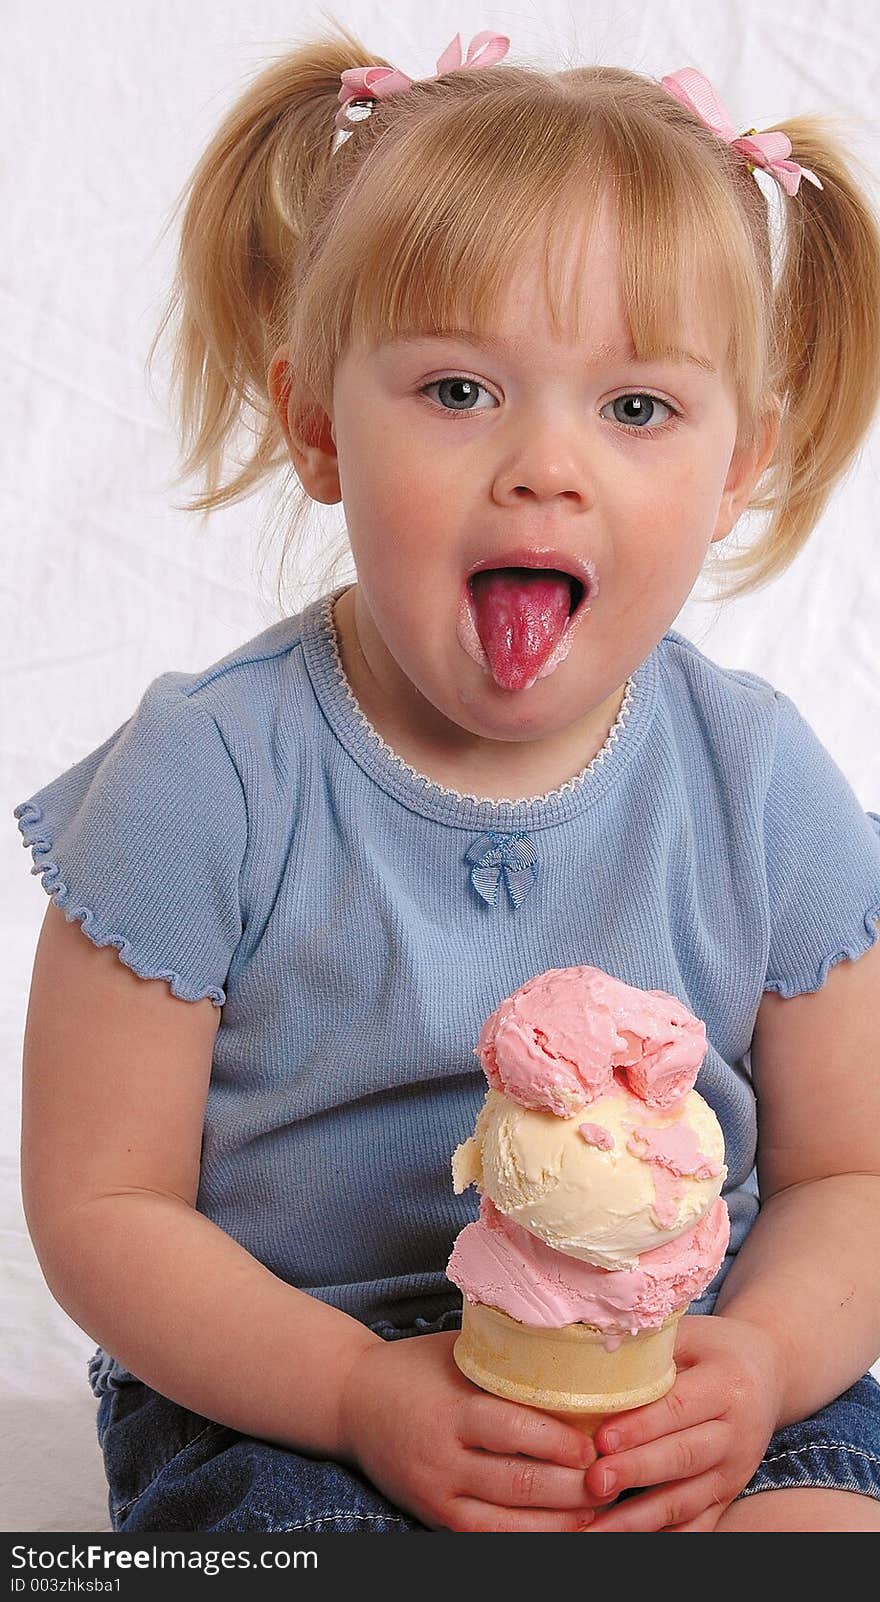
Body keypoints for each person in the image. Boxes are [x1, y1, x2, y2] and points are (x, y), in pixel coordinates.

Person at [14, 21, 880, 1534]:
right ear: (313, 422)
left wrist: (760, 1358)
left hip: (677, 1394)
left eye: (636, 408)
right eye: (461, 390)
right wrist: (354, 1392)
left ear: (738, 465)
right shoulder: (207, 774)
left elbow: (853, 1174)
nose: (549, 466)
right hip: (294, 1400)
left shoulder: (759, 783)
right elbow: (102, 1203)